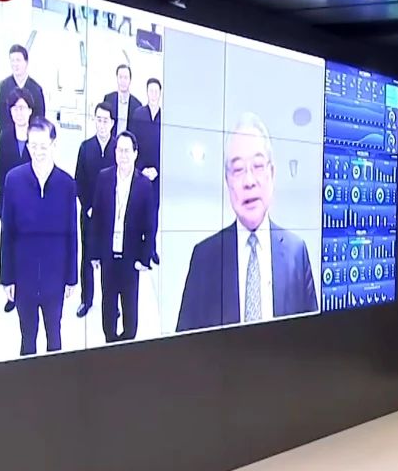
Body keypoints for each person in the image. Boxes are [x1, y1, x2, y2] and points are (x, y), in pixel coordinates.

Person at [176, 112, 317, 332]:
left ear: (272, 174)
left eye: (258, 166)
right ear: (227, 181)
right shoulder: (204, 258)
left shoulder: (296, 253)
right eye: (238, 169)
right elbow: (184, 346)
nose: (249, 181)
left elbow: (313, 339)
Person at [0, 117, 77, 356]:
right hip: (24, 276)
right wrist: (7, 278)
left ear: (54, 145)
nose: (38, 151)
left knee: (54, 335)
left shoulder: (66, 183)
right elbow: (7, 233)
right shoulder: (14, 180)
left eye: (43, 146)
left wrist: (71, 277)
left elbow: (72, 233)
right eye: (33, 145)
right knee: (27, 337)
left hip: (55, 276)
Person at [90, 131, 155, 343]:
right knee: (108, 307)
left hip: (130, 258)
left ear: (135, 153)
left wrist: (144, 257)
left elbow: (150, 225)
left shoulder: (144, 185)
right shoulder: (104, 178)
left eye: (127, 151)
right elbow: (96, 218)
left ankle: (127, 347)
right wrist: (94, 253)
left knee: (130, 310)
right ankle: (110, 345)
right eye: (120, 150)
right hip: (108, 256)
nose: (123, 155)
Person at [0, 87, 37, 313]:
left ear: (30, 110)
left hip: (33, 205)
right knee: (9, 247)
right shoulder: (4, 137)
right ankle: (11, 290)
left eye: (22, 108)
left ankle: (28, 287)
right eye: (15, 108)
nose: (19, 112)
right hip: (9, 203)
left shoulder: (37, 136)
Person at [74, 103, 117, 318]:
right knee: (87, 256)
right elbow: (79, 181)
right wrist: (88, 206)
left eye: (105, 120)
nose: (101, 124)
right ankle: (86, 299)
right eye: (98, 119)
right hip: (89, 214)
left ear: (112, 123)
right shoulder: (85, 147)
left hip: (112, 216)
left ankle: (112, 303)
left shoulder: (118, 148)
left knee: (111, 259)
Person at [129, 78, 162, 264]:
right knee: (138, 211)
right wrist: (141, 169)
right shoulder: (138, 114)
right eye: (151, 91)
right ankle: (137, 248)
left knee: (153, 213)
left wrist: (158, 170)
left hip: (158, 174)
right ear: (147, 92)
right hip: (140, 171)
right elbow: (133, 142)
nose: (153, 94)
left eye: (156, 91)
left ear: (160, 94)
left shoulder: (165, 116)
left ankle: (151, 249)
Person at [0, 45, 46, 133]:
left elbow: (39, 117)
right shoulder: (3, 86)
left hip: (31, 136)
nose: (15, 64)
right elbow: (0, 116)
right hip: (8, 135)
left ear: (26, 62)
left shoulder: (36, 89)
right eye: (12, 60)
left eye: (18, 60)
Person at [101, 64, 142, 136]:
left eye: (126, 78)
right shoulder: (108, 99)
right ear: (117, 79)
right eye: (120, 77)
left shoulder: (137, 105)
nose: (123, 81)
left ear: (130, 80)